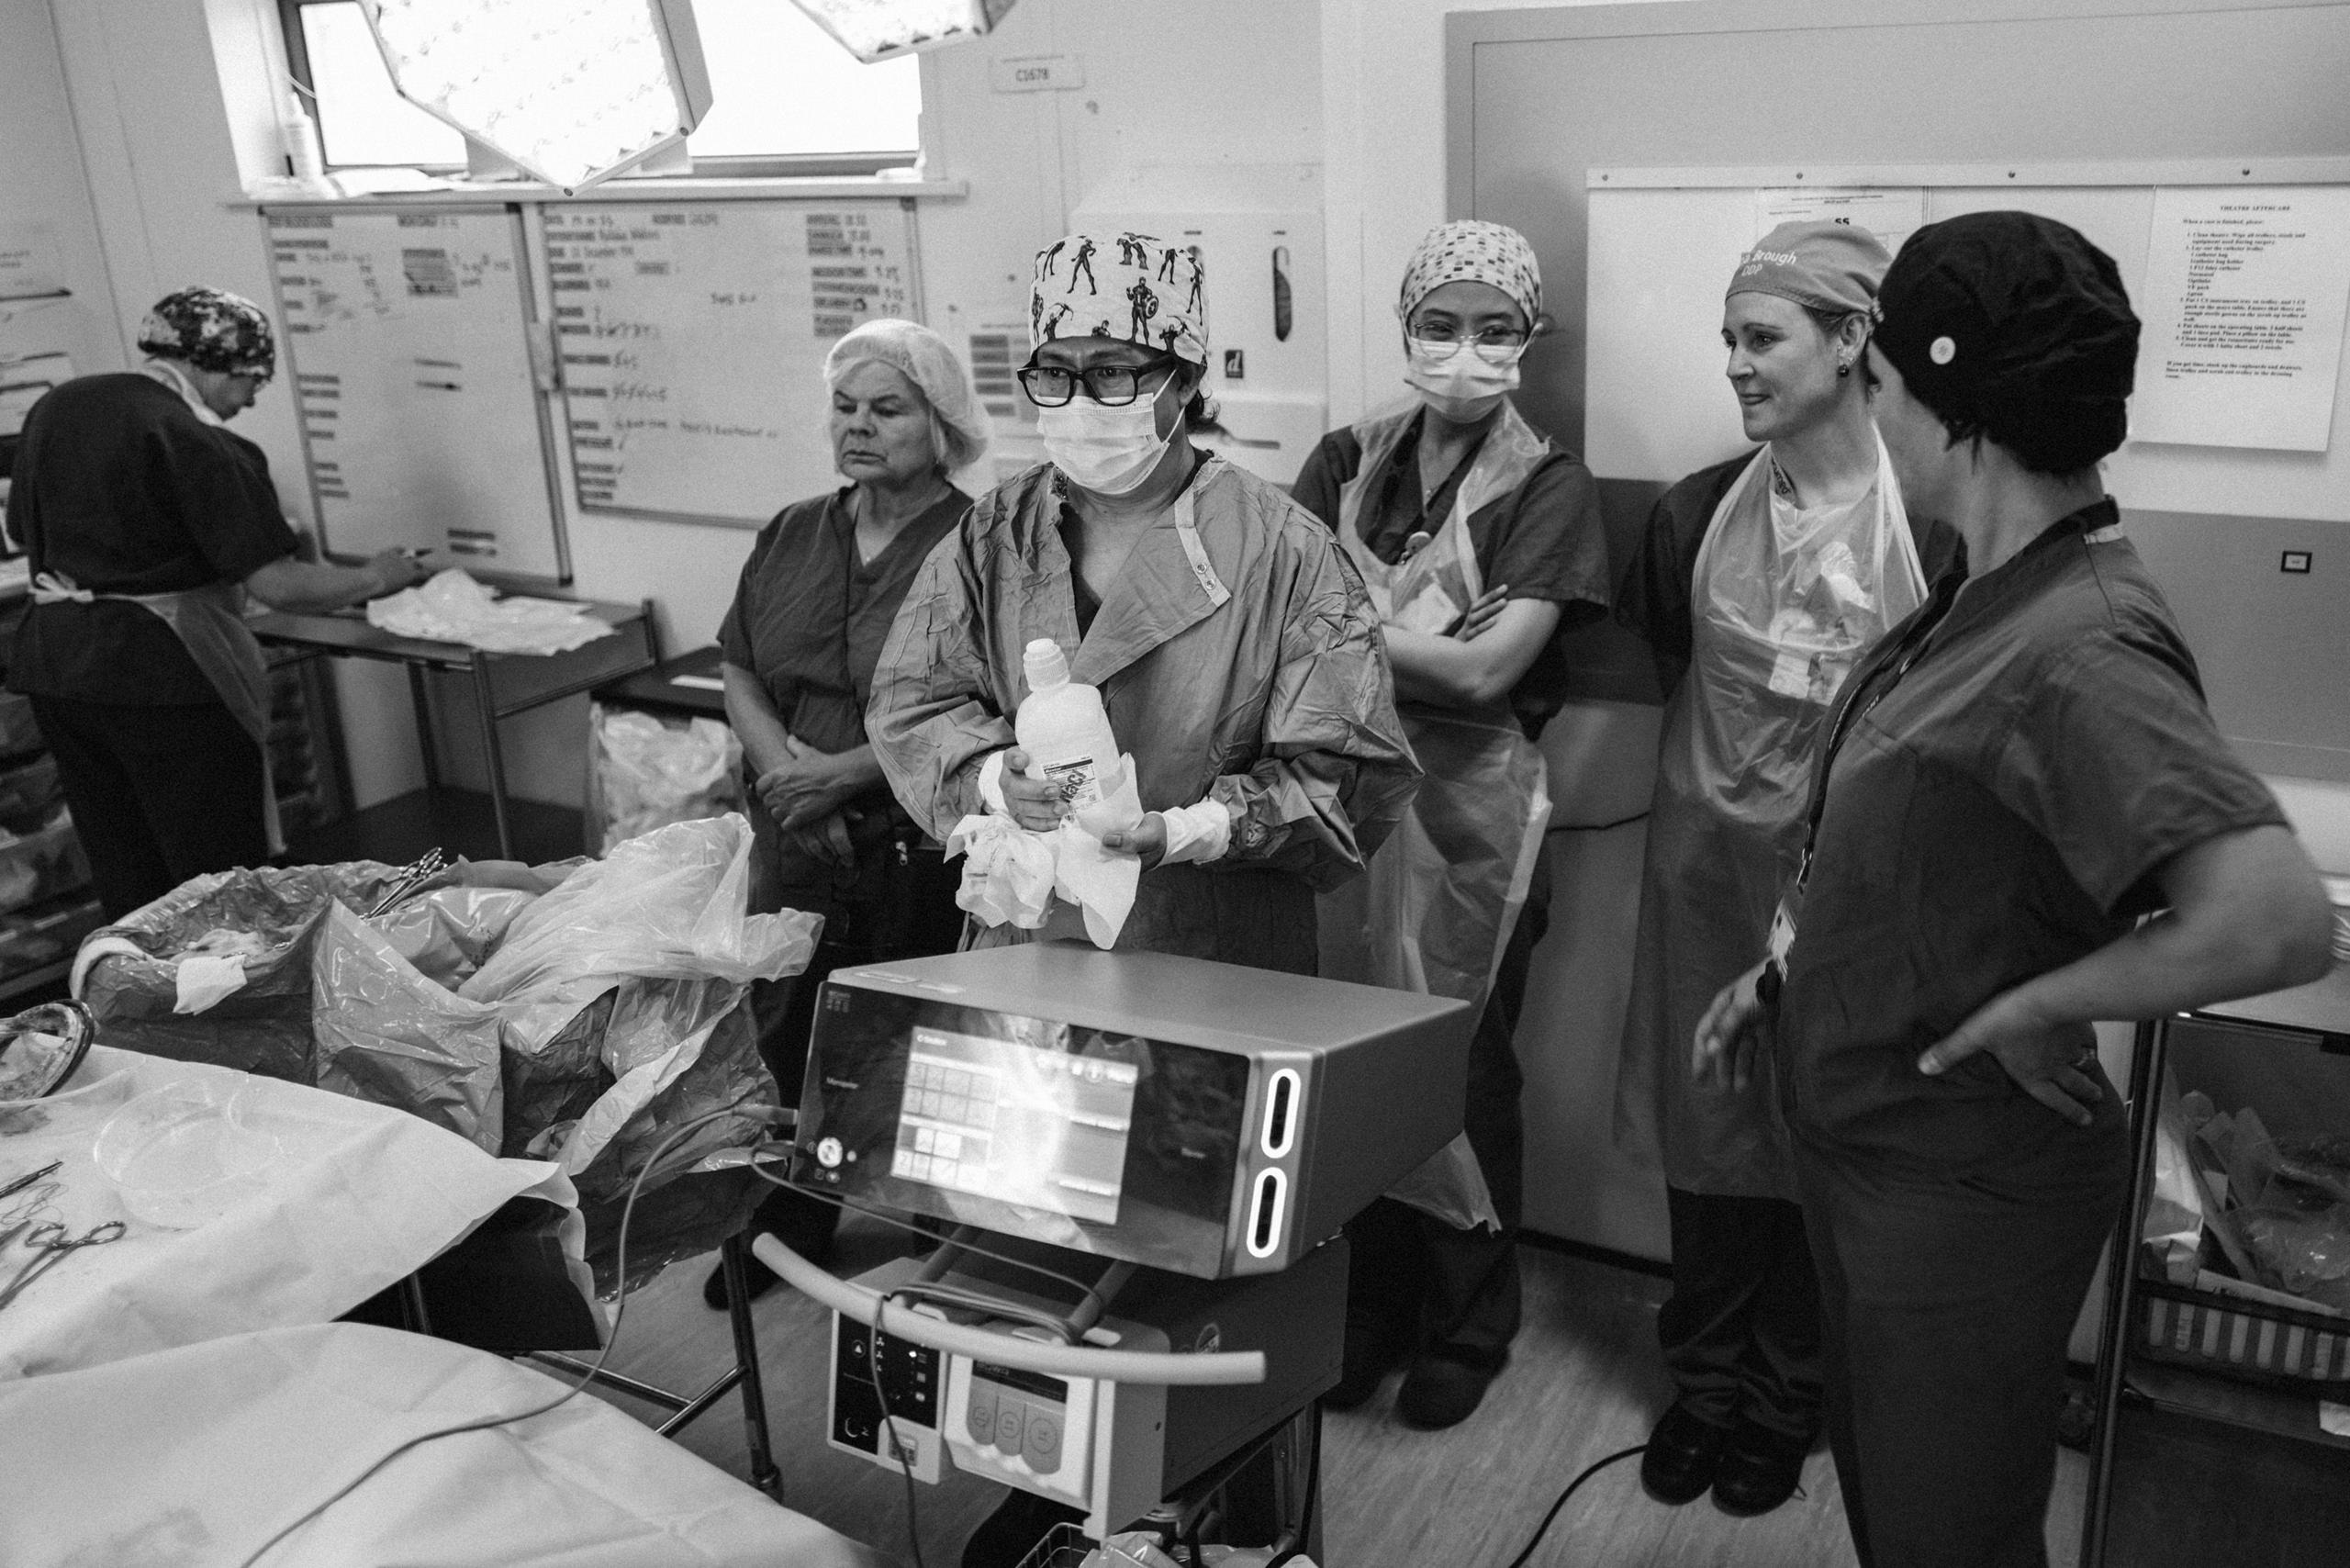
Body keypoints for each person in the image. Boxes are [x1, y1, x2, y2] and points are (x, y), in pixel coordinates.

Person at [1695, 211, 2333, 1568]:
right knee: (1894, 1515)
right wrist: (1786, 980)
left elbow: (2275, 918)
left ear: (1947, 405)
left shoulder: (2080, 644)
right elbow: (1935, 859)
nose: (1871, 416)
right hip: (1876, 1151)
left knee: (1951, 1541)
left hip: (1961, 1191)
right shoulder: (1985, 593)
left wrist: (2045, 1003)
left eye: (1880, 387)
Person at [867, 232, 1417, 1568]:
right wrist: (996, 775)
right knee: (1032, 1272)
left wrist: (1190, 823)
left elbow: (1350, 777)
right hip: (1027, 953)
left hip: (1211, 962)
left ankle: (1227, 1529)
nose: (1080, 397)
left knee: (1205, 1296)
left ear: (1180, 378)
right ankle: (1061, 1514)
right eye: (1054, 370)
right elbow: (912, 700)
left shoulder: (1284, 550)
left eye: (1115, 370)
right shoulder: (997, 536)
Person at [1612, 221, 1967, 1515]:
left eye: (1761, 339)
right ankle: (1703, 1386)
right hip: (1708, 875)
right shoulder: (1691, 514)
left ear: (1852, 339)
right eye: (1728, 342)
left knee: (1822, 1144)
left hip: (1857, 897)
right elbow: (1674, 664)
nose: (1736, 367)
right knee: (1708, 1144)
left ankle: (1785, 1400)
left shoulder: (1942, 526)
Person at [1291, 220, 1611, 1429]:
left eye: (1494, 327)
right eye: (1441, 322)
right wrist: (1415, 649)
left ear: (1527, 339)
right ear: (1406, 327)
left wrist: (1355, 640)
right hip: (1340, 796)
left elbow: (1489, 679)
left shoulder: (1550, 485)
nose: (1463, 350)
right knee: (1347, 1055)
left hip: (1469, 802)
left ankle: (1469, 1323)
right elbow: (1282, 625)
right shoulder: (1346, 458)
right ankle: (1370, 1305)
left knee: (1461, 1065)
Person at [701, 318, 991, 1308]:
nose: (859, 427)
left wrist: (845, 777)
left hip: (915, 830)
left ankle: (935, 1241)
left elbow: (992, 704)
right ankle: (787, 1219)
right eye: (845, 406)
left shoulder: (981, 544)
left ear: (941, 422)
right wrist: (789, 772)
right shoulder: (790, 531)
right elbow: (740, 663)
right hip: (793, 828)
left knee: (913, 1034)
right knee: (787, 1029)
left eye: (889, 408)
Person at [5, 286, 427, 920]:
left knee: (127, 863)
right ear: (216, 365)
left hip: (58, 667)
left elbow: (17, 531)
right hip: (159, 674)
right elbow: (276, 585)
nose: (253, 398)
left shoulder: (59, 408)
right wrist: (378, 575)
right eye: (253, 379)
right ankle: (232, 1006)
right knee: (218, 875)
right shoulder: (195, 440)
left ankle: (141, 1002)